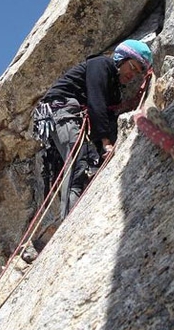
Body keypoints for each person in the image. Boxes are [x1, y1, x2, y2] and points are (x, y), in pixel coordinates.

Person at [34, 39, 153, 221]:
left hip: (69, 115)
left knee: (86, 163)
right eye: (133, 67)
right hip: (61, 110)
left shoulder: (114, 88)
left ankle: (76, 213)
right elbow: (96, 102)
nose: (133, 74)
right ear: (121, 58)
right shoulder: (101, 64)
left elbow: (106, 114)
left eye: (138, 72)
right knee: (78, 161)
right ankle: (70, 223)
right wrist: (106, 142)